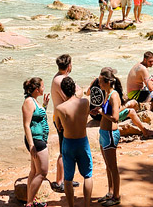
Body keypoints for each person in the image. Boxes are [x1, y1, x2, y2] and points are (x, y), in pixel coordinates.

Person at [56, 75, 93, 207]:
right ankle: (87, 204)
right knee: (88, 175)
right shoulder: (84, 103)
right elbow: (87, 115)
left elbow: (58, 125)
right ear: (74, 88)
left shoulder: (60, 108)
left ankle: (71, 205)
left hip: (68, 143)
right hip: (82, 141)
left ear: (63, 91)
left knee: (68, 178)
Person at [51, 54, 80, 194]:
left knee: (67, 150)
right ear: (69, 66)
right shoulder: (60, 80)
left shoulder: (59, 78)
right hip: (61, 119)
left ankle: (66, 179)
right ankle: (59, 181)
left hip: (61, 117)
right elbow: (72, 97)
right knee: (64, 151)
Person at [22, 76, 50, 207]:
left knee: (34, 171)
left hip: (39, 139)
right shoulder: (28, 102)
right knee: (43, 172)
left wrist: (44, 106)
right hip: (36, 141)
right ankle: (29, 203)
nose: (44, 88)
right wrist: (32, 144)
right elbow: (26, 125)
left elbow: (39, 117)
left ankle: (31, 201)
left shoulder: (35, 101)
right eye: (42, 86)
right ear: (37, 89)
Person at [97, 68, 121, 206]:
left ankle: (116, 196)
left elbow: (115, 118)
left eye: (101, 82)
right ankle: (110, 192)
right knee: (108, 166)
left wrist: (102, 113)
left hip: (110, 134)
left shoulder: (113, 95)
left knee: (113, 167)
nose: (99, 84)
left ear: (107, 82)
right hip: (104, 134)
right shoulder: (107, 93)